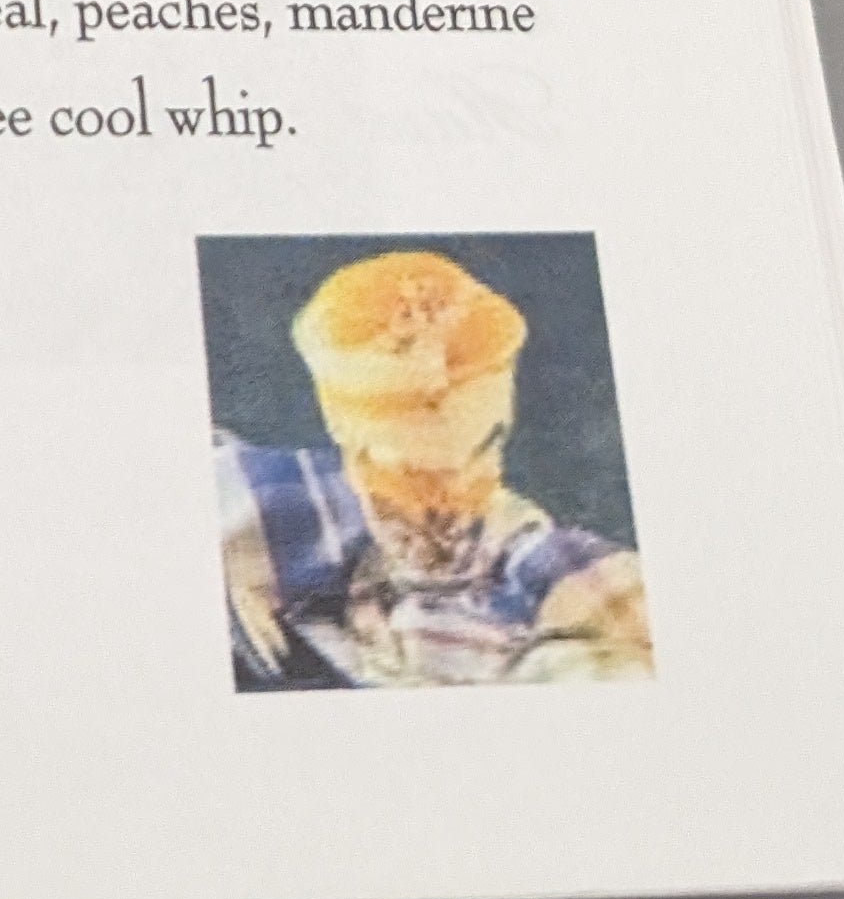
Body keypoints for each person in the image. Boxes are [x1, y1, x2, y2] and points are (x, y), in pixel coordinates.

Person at [217, 247, 651, 689]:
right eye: (416, 477)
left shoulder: (553, 577)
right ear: (340, 428)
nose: (458, 497)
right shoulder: (255, 508)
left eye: (487, 448)